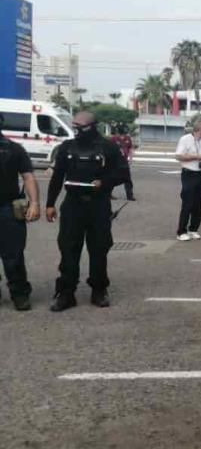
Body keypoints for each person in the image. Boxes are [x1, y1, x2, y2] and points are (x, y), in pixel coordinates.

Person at [45, 111, 127, 311]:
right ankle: (66, 293)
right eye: (74, 126)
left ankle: (99, 290)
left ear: (91, 126)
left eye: (80, 127)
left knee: (99, 249)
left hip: (98, 205)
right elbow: (57, 177)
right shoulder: (67, 147)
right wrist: (50, 204)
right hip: (73, 204)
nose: (77, 131)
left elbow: (123, 173)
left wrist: (104, 182)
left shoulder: (108, 147)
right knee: (68, 249)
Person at [0, 120, 41, 311]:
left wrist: (34, 203)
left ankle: (19, 293)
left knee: (13, 254)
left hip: (8, 207)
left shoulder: (14, 149)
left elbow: (28, 176)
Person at [174, 115, 201, 241]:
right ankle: (181, 231)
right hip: (189, 174)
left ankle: (193, 229)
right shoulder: (186, 139)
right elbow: (178, 156)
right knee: (187, 203)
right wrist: (196, 157)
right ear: (200, 128)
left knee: (199, 204)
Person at [109, 125, 136, 201]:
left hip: (124, 161)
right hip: (115, 161)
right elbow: (109, 148)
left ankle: (129, 196)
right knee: (112, 178)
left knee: (127, 179)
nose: (122, 134)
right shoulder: (113, 139)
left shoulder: (128, 138)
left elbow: (130, 148)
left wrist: (131, 159)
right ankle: (108, 194)